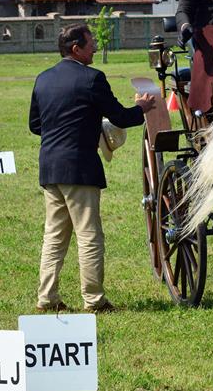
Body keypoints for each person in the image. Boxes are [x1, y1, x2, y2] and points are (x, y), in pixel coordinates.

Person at [29, 24, 155, 313]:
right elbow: (120, 117)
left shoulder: (43, 78)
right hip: (80, 169)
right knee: (89, 237)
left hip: (50, 168)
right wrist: (143, 107)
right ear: (76, 49)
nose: (95, 48)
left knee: (54, 236)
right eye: (90, 44)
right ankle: (94, 301)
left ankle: (47, 298)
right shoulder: (93, 79)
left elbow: (35, 125)